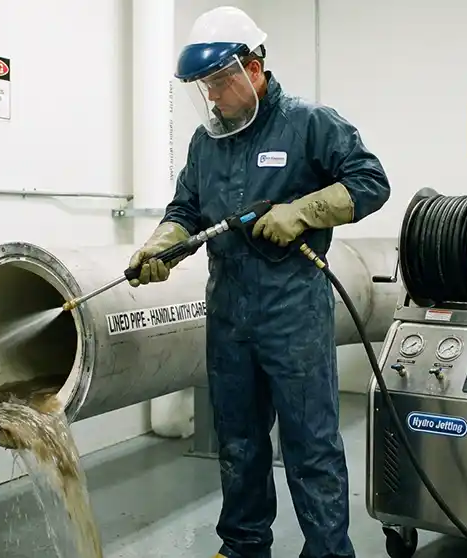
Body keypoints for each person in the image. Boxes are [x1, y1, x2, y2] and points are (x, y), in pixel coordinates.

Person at [126, 6, 391, 558]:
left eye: (219, 84)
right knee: (239, 442)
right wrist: (160, 244)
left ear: (253, 68)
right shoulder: (208, 143)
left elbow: (370, 182)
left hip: (291, 311)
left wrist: (304, 211)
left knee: (309, 443)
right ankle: (244, 545)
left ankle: (327, 551)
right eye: (204, 89)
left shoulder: (309, 123)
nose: (213, 99)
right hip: (228, 312)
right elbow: (186, 209)